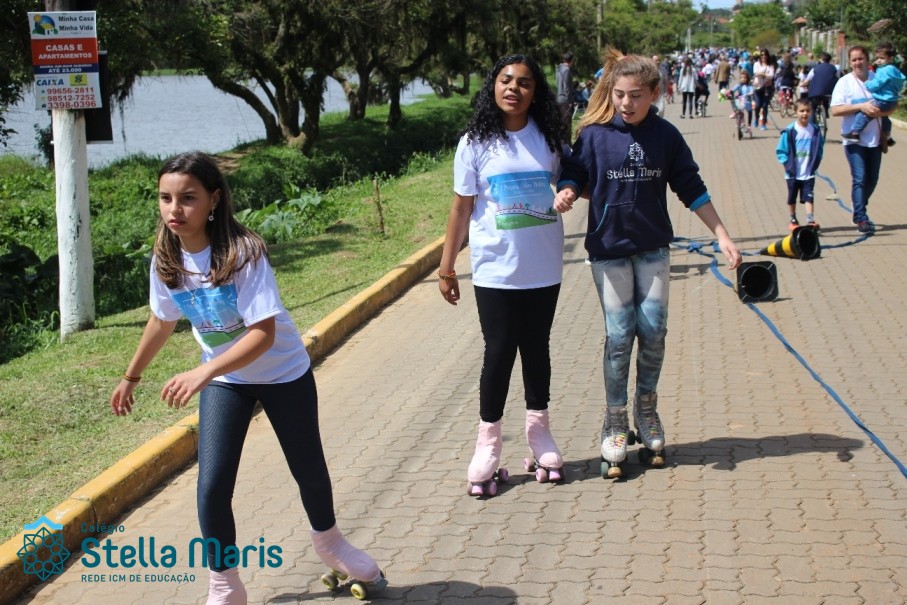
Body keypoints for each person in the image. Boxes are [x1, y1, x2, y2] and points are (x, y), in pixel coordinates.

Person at [109, 152, 387, 604]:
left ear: (214, 200)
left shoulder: (243, 252)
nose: (174, 209)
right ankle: (224, 584)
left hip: (282, 372)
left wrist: (204, 370)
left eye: (188, 198)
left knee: (308, 469)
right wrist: (131, 377)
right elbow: (161, 321)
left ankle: (331, 543)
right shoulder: (165, 259)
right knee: (213, 484)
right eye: (165, 198)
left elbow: (263, 333)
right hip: (228, 381)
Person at [553, 50, 742, 479]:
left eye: (636, 95)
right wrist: (567, 190)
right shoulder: (595, 135)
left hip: (653, 249)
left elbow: (690, 185)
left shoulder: (666, 136)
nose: (626, 103)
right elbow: (575, 172)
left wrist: (722, 234)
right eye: (619, 94)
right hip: (609, 250)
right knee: (620, 335)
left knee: (653, 332)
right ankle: (615, 418)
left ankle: (647, 409)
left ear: (655, 93)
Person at [438, 54, 569, 497]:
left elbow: (573, 178)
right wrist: (446, 267)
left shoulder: (548, 139)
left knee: (536, 349)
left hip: (543, 266)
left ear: (536, 92)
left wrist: (571, 188)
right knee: (498, 353)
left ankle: (539, 434)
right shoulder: (474, 142)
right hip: (495, 269)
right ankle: (488, 445)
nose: (514, 88)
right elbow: (462, 208)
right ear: (493, 86)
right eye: (506, 80)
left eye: (524, 83)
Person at [830, 45, 899, 233]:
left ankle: (859, 205)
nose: (857, 63)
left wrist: (880, 112)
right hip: (853, 140)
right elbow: (835, 110)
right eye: (854, 60)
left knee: (872, 180)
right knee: (859, 178)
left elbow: (893, 105)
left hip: (876, 139)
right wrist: (861, 107)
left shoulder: (879, 78)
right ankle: (861, 218)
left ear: (867, 60)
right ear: (849, 62)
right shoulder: (845, 82)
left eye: (860, 59)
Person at [842, 42, 904, 152]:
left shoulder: (884, 71)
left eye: (882, 58)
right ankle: (888, 137)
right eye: (877, 58)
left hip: (883, 100)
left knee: (865, 112)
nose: (878, 61)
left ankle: (855, 133)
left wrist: (868, 84)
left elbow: (876, 84)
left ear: (890, 59)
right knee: (884, 118)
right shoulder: (895, 70)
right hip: (892, 101)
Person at [776, 98, 824, 231]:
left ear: (811, 112)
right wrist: (787, 164)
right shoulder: (790, 130)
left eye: (807, 111)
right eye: (801, 111)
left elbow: (819, 147)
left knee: (809, 195)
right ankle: (793, 219)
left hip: (808, 171)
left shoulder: (814, 130)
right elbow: (781, 150)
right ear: (795, 111)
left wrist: (816, 161)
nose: (805, 114)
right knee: (792, 196)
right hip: (793, 172)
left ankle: (810, 219)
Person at [804, 53, 839, 125]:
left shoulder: (815, 68)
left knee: (812, 107)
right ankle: (825, 112)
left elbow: (808, 80)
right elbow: (837, 77)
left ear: (821, 59)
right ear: (829, 60)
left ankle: (812, 125)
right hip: (830, 91)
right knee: (825, 98)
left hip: (815, 92)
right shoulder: (834, 68)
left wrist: (802, 84)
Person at [753, 49, 776, 130]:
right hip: (758, 87)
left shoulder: (770, 65)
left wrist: (763, 74)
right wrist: (764, 74)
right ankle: (756, 118)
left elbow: (771, 75)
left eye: (765, 55)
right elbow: (755, 73)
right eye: (762, 55)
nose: (764, 56)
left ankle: (763, 123)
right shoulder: (756, 64)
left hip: (767, 88)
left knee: (765, 105)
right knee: (758, 105)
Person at [556, 51, 576, 140]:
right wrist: (570, 101)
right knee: (566, 124)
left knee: (561, 123)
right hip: (565, 100)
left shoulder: (559, 69)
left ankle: (561, 141)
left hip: (559, 98)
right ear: (571, 60)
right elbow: (567, 87)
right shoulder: (567, 70)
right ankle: (566, 143)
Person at [729, 70, 755, 136]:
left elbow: (752, 91)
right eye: (741, 78)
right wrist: (729, 93)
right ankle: (736, 115)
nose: (743, 79)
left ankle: (749, 125)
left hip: (747, 101)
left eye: (744, 78)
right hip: (740, 100)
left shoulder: (749, 85)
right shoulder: (739, 85)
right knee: (736, 106)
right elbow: (732, 90)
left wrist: (749, 94)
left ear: (747, 78)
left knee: (749, 111)